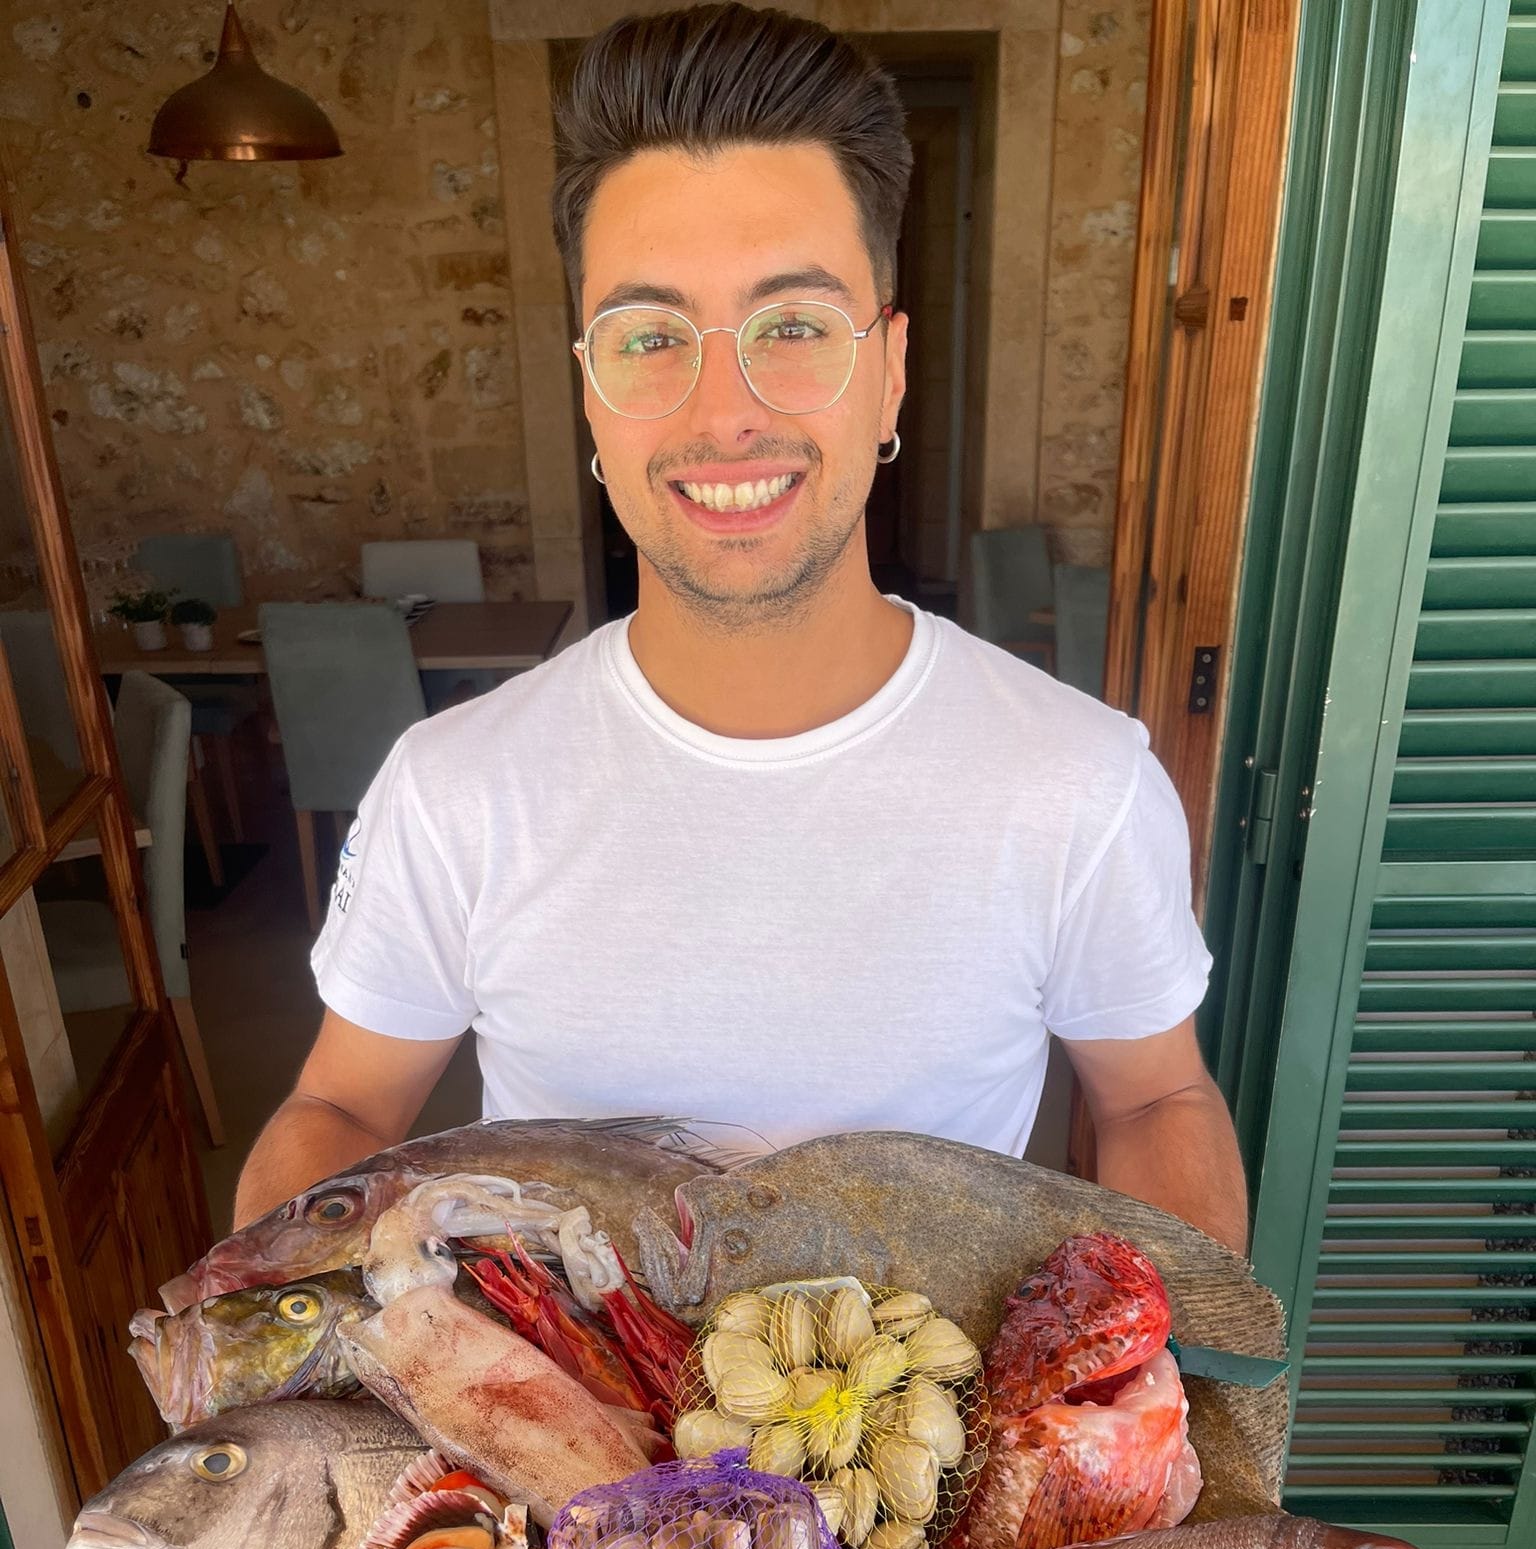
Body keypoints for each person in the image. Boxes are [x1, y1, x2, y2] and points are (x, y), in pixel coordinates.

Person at [234, 3, 1248, 1253]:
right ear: (591, 393)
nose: (726, 412)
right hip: (566, 1437)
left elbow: (1153, 1096)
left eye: (794, 328)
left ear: (889, 369)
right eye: (651, 338)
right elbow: (341, 1103)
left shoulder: (1076, 784)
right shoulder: (456, 791)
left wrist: (1175, 1398)